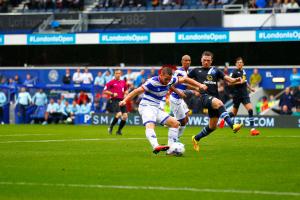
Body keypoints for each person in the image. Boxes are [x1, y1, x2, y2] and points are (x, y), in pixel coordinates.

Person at [119, 66, 207, 154]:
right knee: (150, 124)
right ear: (160, 75)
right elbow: (136, 91)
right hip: (146, 106)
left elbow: (185, 80)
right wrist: (124, 100)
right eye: (166, 79)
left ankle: (171, 150)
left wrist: (199, 85)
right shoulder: (152, 82)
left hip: (156, 108)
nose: (167, 82)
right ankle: (155, 146)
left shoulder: (170, 80)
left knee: (175, 123)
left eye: (169, 80)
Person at [188, 51, 243, 152]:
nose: (206, 62)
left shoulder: (215, 70)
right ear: (201, 59)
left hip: (214, 98)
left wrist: (236, 80)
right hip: (204, 97)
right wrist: (196, 88)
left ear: (211, 61)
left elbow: (228, 79)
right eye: (204, 60)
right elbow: (185, 81)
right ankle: (233, 125)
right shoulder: (195, 70)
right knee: (219, 103)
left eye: (208, 60)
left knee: (212, 126)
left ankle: (196, 138)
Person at [219, 57, 260, 136]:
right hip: (237, 95)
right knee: (233, 114)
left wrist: (250, 88)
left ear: (243, 64)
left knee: (250, 110)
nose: (239, 64)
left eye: (241, 62)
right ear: (236, 64)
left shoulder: (243, 71)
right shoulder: (233, 72)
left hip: (245, 95)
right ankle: (224, 118)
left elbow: (245, 82)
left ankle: (252, 130)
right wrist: (239, 82)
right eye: (238, 62)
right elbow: (229, 83)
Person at [169, 55, 199, 143]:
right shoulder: (179, 71)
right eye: (185, 60)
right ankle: (173, 140)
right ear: (182, 62)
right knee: (181, 122)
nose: (188, 62)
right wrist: (179, 93)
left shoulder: (186, 72)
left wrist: (196, 89)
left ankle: (176, 138)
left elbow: (185, 85)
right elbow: (170, 85)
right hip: (175, 99)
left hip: (179, 99)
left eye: (189, 60)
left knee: (186, 120)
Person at [104, 69, 128, 135]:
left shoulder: (123, 82)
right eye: (116, 73)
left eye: (119, 73)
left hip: (122, 100)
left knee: (125, 116)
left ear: (121, 74)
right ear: (114, 74)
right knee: (119, 114)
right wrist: (112, 94)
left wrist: (126, 94)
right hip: (114, 100)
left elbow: (126, 90)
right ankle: (111, 127)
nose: (118, 74)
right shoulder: (111, 82)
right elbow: (105, 91)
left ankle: (119, 131)